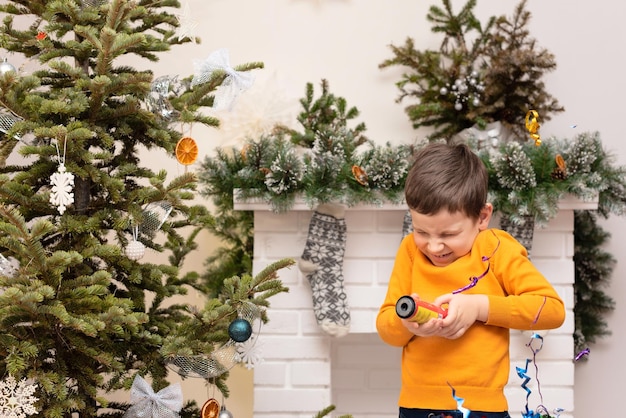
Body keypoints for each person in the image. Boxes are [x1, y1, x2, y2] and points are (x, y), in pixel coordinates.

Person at [376, 142, 566, 418]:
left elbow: (551, 310)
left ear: (482, 216)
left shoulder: (495, 249)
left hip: (481, 408)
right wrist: (407, 325)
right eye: (421, 231)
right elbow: (386, 327)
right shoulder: (409, 250)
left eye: (449, 234)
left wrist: (479, 308)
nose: (433, 246)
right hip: (417, 405)